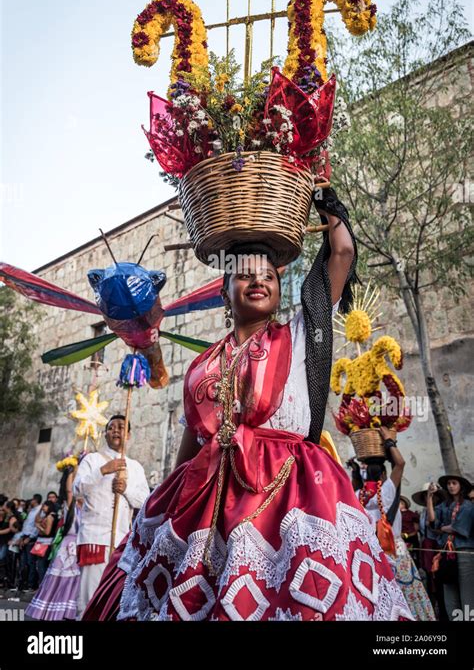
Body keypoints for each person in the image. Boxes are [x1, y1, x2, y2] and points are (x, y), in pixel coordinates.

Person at [84, 185, 413, 622]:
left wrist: (330, 207)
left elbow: (342, 254)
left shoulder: (297, 335)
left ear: (279, 291)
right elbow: (190, 449)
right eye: (244, 274)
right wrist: (166, 500)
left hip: (292, 494)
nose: (258, 280)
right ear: (225, 293)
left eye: (269, 275)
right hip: (205, 502)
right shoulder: (201, 366)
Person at [73, 414, 149, 618]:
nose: (116, 430)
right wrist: (103, 471)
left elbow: (145, 502)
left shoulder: (135, 467)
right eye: (111, 427)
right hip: (95, 539)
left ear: (129, 435)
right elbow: (77, 490)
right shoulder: (92, 460)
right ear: (105, 433)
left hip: (122, 542)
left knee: (113, 599)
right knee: (90, 597)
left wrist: (126, 490)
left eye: (121, 427)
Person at [358, 430, 435, 621]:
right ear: (384, 474)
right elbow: (400, 463)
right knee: (407, 593)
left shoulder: (357, 494)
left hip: (372, 552)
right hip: (394, 549)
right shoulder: (388, 489)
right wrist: (390, 441)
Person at [26, 464, 82, 620]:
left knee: (76, 581)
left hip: (81, 545)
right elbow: (70, 491)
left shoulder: (91, 508)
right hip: (68, 546)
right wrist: (73, 471)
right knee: (60, 580)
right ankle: (55, 610)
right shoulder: (71, 505)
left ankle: (72, 611)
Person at [427, 474, 474, 620]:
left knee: (467, 596)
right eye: (448, 484)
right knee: (449, 594)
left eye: (454, 483)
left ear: (461, 486)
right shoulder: (443, 506)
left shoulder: (468, 506)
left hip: (464, 552)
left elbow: (458, 528)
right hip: (446, 554)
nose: (451, 486)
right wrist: (429, 498)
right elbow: (433, 523)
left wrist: (443, 527)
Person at [412, 482, 448, 620]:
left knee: (438, 578)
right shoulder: (423, 512)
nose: (430, 498)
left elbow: (434, 524)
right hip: (425, 547)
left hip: (436, 546)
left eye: (432, 496)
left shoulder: (440, 509)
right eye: (427, 496)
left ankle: (443, 610)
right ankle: (432, 610)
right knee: (428, 578)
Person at [30, 500, 59, 586]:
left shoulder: (50, 517)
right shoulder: (47, 515)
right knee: (40, 565)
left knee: (41, 565)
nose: (43, 508)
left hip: (46, 542)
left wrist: (39, 527)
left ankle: (42, 585)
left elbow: (47, 532)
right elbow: (37, 519)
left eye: (45, 506)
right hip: (42, 542)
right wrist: (40, 510)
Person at [19, 494, 43, 592]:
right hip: (25, 536)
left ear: (35, 500)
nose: (30, 501)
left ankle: (31, 584)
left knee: (31, 562)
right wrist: (22, 537)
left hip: (31, 538)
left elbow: (36, 526)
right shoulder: (31, 510)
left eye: (32, 499)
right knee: (24, 562)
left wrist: (29, 538)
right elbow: (27, 525)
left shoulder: (39, 510)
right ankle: (23, 583)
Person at [400, 496, 420, 564]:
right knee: (401, 556)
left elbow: (416, 528)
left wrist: (408, 535)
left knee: (412, 556)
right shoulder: (395, 514)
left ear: (403, 504)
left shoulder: (411, 514)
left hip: (411, 538)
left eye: (400, 503)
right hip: (400, 539)